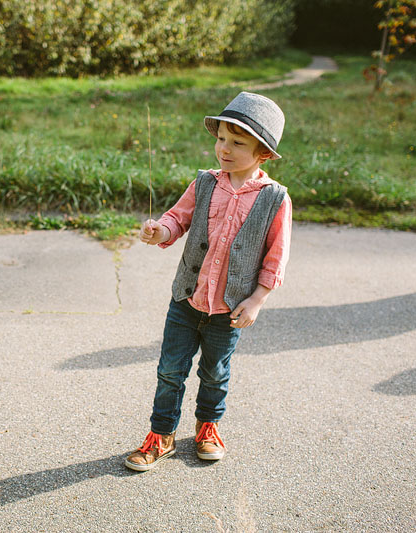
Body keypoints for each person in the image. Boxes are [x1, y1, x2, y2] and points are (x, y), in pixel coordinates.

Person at [125, 92, 292, 471]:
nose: (225, 149)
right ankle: (161, 434)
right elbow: (177, 218)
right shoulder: (204, 183)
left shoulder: (275, 199)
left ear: (263, 153)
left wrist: (258, 299)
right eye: (221, 139)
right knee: (170, 370)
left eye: (238, 143)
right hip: (186, 300)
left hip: (229, 309)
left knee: (215, 372)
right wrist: (160, 231)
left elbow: (275, 256)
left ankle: (207, 428)